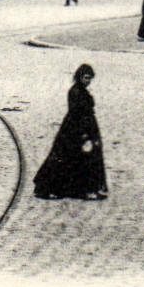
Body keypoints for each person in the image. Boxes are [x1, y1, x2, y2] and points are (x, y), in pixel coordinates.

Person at [32, 64, 109, 200]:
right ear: (79, 77)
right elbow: (76, 113)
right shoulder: (75, 92)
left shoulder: (82, 91)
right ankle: (49, 188)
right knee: (70, 157)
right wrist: (84, 133)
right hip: (75, 129)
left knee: (84, 158)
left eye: (90, 78)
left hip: (85, 126)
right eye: (86, 78)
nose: (88, 81)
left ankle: (85, 189)